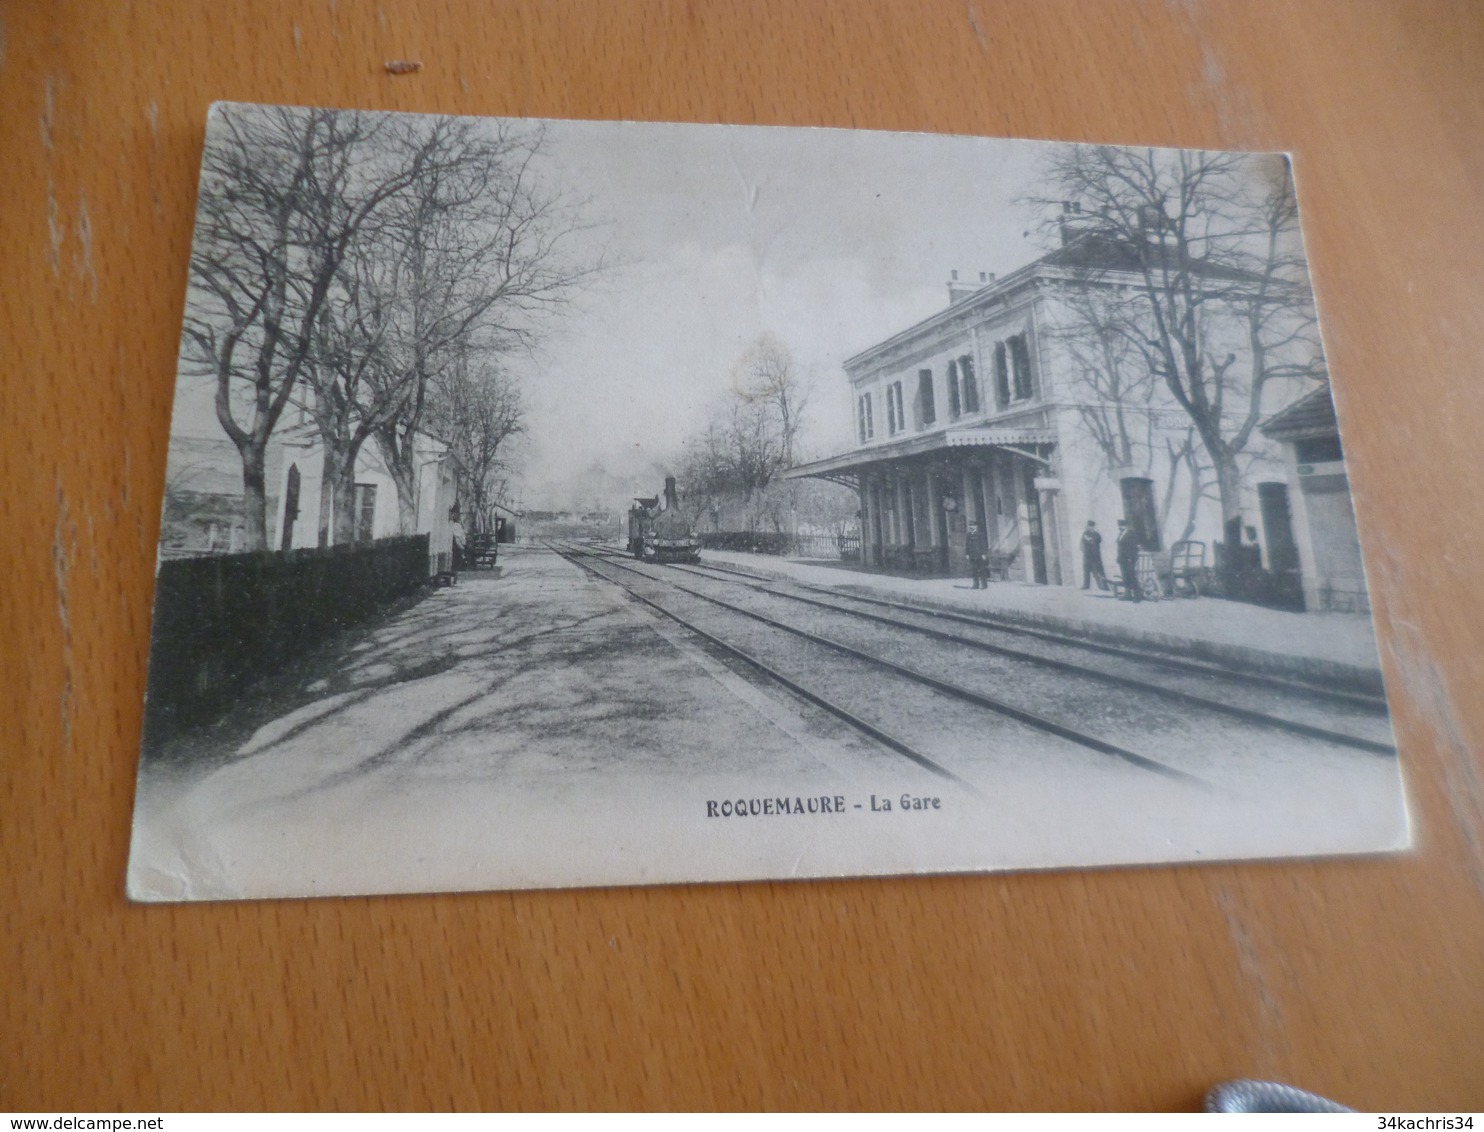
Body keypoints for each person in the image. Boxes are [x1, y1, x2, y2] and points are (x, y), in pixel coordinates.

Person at [1115, 519, 1143, 602]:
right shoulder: (1120, 534)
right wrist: (1118, 557)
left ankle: (1137, 596)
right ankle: (1128, 595)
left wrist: (1131, 558)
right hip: (1122, 559)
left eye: (1122, 525)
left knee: (1132, 576)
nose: (1120, 527)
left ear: (1126, 526)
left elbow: (1134, 548)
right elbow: (1120, 547)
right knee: (1125, 576)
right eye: (1119, 526)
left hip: (1129, 559)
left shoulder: (1131, 534)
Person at [1080, 519, 1108, 591]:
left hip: (1096, 556)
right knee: (1086, 571)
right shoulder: (1085, 533)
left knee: (1100, 571)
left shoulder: (1097, 534)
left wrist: (1090, 539)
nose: (1089, 528)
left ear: (1093, 527)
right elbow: (1083, 542)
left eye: (1091, 526)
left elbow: (1097, 541)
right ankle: (1086, 585)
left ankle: (1105, 586)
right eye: (1089, 526)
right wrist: (1089, 540)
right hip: (1087, 555)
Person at [965, 521, 990, 589]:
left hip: (979, 555)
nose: (971, 527)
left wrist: (984, 553)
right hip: (972, 555)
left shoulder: (980, 534)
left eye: (972, 525)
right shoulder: (968, 535)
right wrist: (967, 553)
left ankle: (984, 585)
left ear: (976, 526)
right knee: (974, 571)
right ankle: (976, 585)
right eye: (970, 525)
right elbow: (967, 545)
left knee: (982, 570)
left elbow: (983, 544)